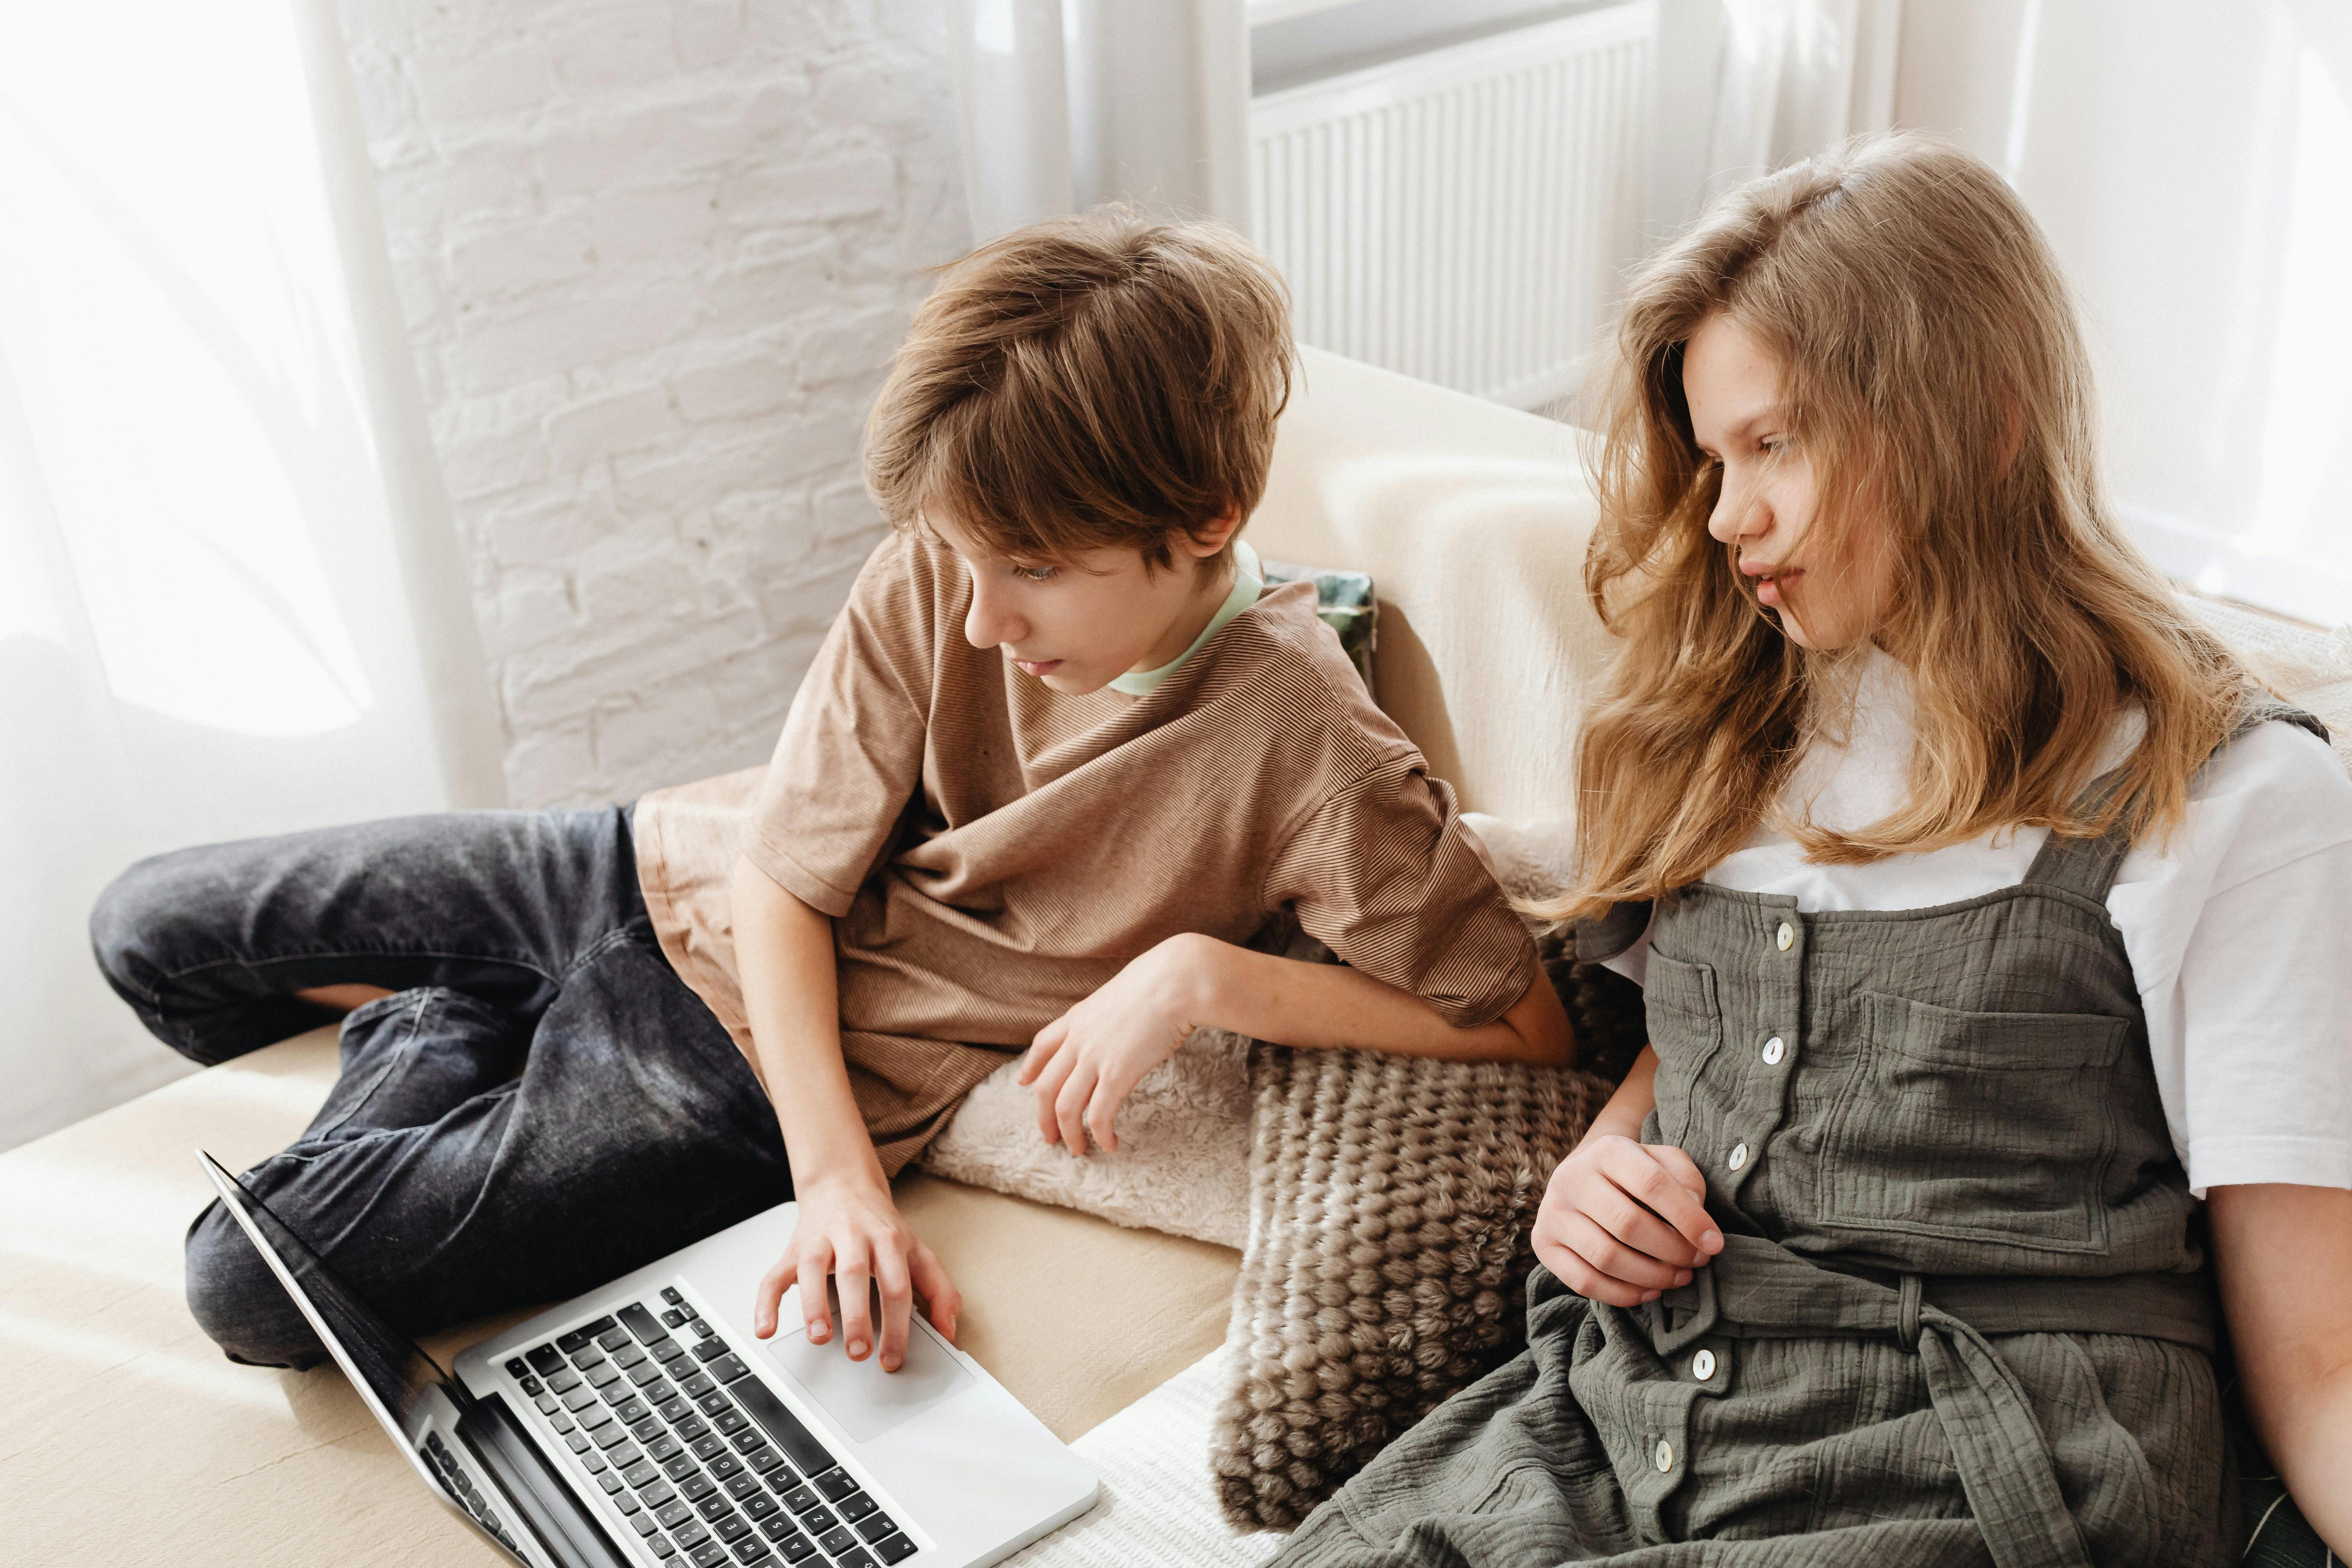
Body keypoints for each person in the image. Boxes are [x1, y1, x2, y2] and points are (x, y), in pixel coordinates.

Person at [89, 208, 1571, 1376]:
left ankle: (443, 1018)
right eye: (967, 563)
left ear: (1207, 520)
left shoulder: (1306, 745)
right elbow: (784, 877)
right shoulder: (961, 540)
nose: (979, 619)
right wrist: (838, 1186)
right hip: (658, 863)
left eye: (1035, 575)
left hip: (721, 1064)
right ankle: (455, 1018)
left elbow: (1525, 1024)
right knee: (144, 926)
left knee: (244, 1276)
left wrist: (1202, 976)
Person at [1269, 134, 2352, 1566]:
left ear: (1979, 421)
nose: (1727, 518)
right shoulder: (1721, 734)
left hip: (1977, 1465)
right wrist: (1594, 1179)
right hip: (1630, 1413)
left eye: (1774, 443)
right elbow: (1688, 1057)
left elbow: (2320, 1351)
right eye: (1714, 460)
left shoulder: (2227, 793)